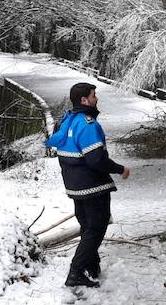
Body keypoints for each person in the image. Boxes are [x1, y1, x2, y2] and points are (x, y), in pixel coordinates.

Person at [45, 82, 130, 287]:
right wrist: (120, 169)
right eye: (93, 95)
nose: (96, 98)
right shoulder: (87, 124)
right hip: (92, 186)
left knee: (87, 226)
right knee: (96, 227)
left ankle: (92, 265)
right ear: (84, 100)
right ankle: (76, 272)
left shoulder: (66, 121)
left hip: (74, 185)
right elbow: (95, 159)